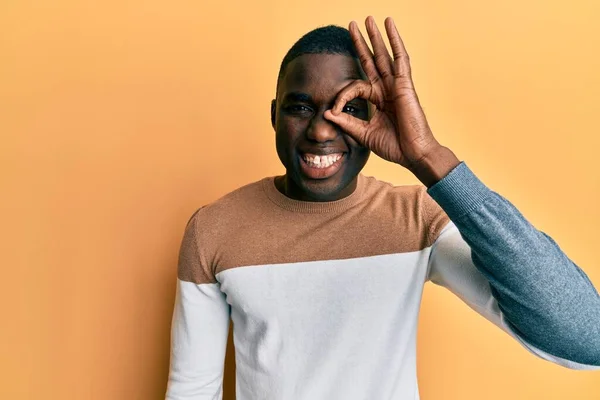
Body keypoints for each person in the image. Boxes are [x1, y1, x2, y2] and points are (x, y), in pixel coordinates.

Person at [165, 16, 600, 400]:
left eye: (349, 109)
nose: (321, 130)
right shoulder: (214, 228)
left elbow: (585, 336)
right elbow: (193, 390)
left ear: (378, 118)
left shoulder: (418, 221)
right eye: (301, 107)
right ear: (274, 114)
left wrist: (429, 157)